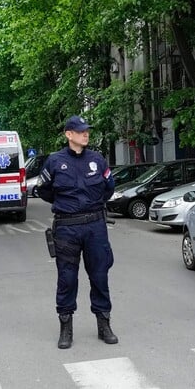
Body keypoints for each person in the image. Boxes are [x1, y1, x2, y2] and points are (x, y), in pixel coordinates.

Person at [34, 115, 118, 349]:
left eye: (87, 130)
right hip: (67, 227)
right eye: (80, 131)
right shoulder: (55, 161)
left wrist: (91, 205)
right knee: (67, 278)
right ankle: (65, 327)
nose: (86, 134)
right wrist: (67, 205)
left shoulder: (97, 160)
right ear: (68, 134)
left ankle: (104, 325)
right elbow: (43, 189)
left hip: (95, 225)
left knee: (100, 276)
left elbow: (109, 188)